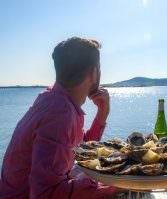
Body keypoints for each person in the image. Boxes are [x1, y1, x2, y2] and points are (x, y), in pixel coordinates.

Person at [0, 37, 119, 198]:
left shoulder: (53, 99)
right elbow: (45, 194)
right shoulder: (60, 113)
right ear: (94, 72)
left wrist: (102, 114)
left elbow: (79, 149)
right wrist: (113, 185)